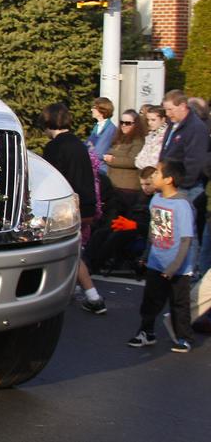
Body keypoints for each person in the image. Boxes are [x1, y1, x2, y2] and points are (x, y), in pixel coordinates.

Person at [39, 102, 105, 314]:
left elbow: (51, 182)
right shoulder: (79, 144)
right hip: (88, 204)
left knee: (68, 251)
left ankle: (93, 296)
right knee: (75, 248)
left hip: (69, 207)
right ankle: (77, 288)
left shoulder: (54, 148)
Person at [127, 159, 196, 352]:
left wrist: (173, 268)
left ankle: (183, 337)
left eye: (157, 173)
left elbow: (186, 240)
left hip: (178, 267)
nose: (152, 176)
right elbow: (153, 231)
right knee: (150, 300)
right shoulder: (156, 200)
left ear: (168, 179)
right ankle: (146, 332)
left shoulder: (182, 205)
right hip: (157, 262)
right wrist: (146, 255)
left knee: (179, 303)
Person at [159, 90, 209, 275]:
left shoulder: (195, 128)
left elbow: (195, 162)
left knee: (188, 230)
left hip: (186, 187)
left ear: (182, 106)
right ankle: (166, 262)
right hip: (168, 183)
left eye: (170, 109)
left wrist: (181, 185)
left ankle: (190, 269)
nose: (168, 114)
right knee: (168, 228)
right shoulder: (175, 125)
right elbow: (166, 152)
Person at [103, 109, 145, 208]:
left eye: (128, 123)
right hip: (114, 185)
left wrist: (112, 160)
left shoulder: (138, 140)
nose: (124, 125)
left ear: (136, 124)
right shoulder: (119, 138)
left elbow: (133, 161)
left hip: (127, 188)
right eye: (122, 122)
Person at [86, 97, 116, 173]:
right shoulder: (97, 127)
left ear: (102, 110)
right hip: (95, 168)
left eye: (94, 107)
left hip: (102, 170)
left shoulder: (110, 129)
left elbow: (99, 151)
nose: (91, 110)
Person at [135, 106, 168, 170]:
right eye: (148, 120)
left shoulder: (166, 136)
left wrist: (143, 163)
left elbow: (154, 162)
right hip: (145, 173)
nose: (150, 123)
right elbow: (137, 160)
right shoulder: (150, 136)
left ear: (163, 120)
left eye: (153, 120)